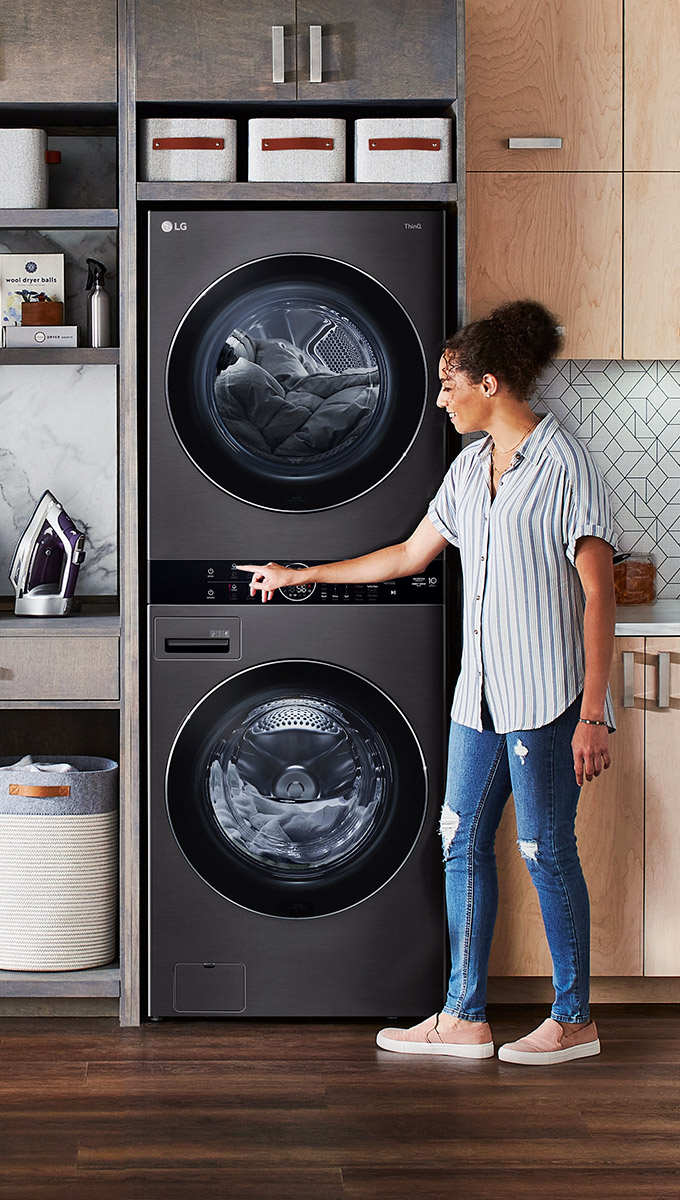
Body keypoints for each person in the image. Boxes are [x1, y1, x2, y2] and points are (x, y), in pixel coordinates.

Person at [240, 299, 618, 1067]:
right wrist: (299, 575)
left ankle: (574, 1017)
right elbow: (408, 556)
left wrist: (592, 714)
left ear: (489, 382)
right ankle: (464, 1016)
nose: (440, 399)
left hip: (547, 701)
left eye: (450, 386)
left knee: (545, 849)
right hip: (477, 698)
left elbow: (599, 594)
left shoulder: (564, 464)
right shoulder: (469, 467)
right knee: (459, 843)